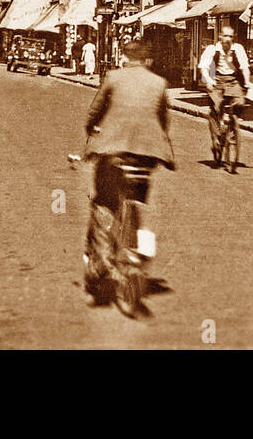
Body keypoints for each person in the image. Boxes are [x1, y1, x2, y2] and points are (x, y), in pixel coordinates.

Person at [81, 39, 175, 305]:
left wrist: (91, 132)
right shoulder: (159, 83)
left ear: (125, 57)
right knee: (138, 203)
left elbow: (95, 111)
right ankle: (143, 249)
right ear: (147, 60)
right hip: (146, 157)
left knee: (103, 206)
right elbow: (164, 120)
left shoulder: (113, 77)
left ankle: (100, 263)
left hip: (114, 154)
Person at [199, 25, 253, 146]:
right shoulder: (212, 49)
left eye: (230, 36)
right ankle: (217, 136)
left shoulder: (238, 49)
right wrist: (208, 81)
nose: (228, 39)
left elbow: (245, 67)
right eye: (225, 36)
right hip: (216, 80)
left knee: (240, 102)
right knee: (216, 107)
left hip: (232, 81)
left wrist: (247, 82)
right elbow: (204, 67)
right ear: (220, 36)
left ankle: (233, 130)